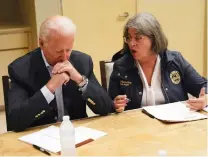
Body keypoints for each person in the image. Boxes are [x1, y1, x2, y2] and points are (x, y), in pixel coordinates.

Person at [8, 15, 113, 132]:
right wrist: (49, 88)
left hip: (76, 134)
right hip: (40, 135)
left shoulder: (82, 62)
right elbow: (15, 121)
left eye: (68, 50)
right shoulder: (21, 69)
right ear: (42, 43)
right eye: (58, 51)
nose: (64, 57)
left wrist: (80, 80)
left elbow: (106, 108)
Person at [108, 12, 207, 113]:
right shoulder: (121, 66)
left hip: (175, 124)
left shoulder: (175, 61)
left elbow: (204, 86)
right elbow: (109, 103)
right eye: (128, 38)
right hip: (137, 125)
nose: (131, 43)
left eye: (138, 38)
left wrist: (205, 99)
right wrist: (114, 105)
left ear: (154, 38)